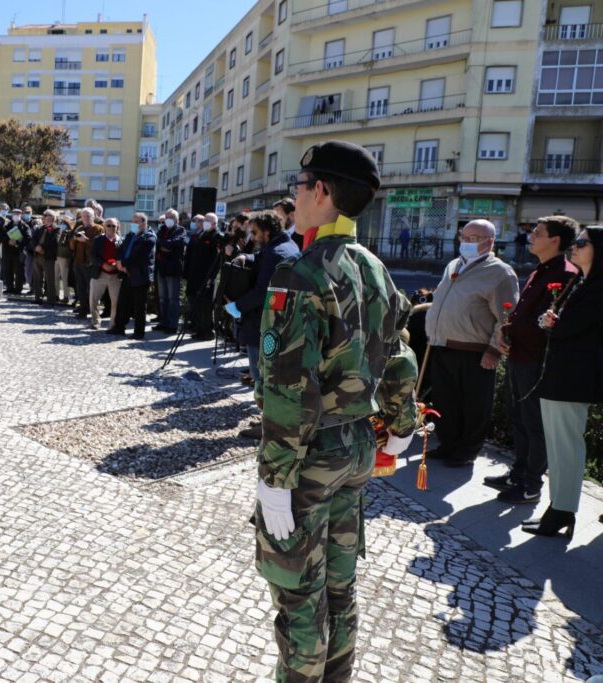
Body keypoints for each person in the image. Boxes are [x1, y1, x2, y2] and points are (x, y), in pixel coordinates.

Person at [255, 141, 418, 682]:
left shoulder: (302, 273)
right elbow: (400, 355)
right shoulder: (373, 267)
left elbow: (289, 388)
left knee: (301, 598)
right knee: (340, 589)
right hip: (357, 450)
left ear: (321, 191)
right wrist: (401, 425)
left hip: (310, 457)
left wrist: (275, 477)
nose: (295, 197)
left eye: (299, 187)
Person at [487, 215, 578, 504]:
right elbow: (523, 313)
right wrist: (505, 331)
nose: (531, 237)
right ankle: (518, 473)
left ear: (555, 240)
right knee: (517, 418)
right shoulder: (540, 270)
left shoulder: (566, 274)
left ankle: (531, 485)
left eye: (537, 233)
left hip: (537, 360)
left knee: (534, 424)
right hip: (518, 354)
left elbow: (550, 321)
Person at [522, 226, 603, 537]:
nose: (575, 247)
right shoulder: (580, 282)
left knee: (566, 447)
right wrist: (550, 322)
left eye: (583, 243)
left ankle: (562, 511)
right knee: (558, 448)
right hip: (560, 374)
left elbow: (571, 328)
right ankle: (558, 508)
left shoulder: (598, 287)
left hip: (575, 377)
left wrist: (553, 324)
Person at [424, 219, 519, 467]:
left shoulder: (500, 272)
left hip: (474, 351)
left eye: (473, 238)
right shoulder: (454, 264)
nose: (465, 242)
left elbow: (507, 317)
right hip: (443, 344)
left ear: (490, 242)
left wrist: (494, 350)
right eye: (463, 237)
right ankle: (448, 444)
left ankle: (467, 450)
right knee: (445, 402)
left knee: (474, 404)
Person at [225, 210, 299, 439]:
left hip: (263, 326)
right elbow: (261, 258)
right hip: (279, 325)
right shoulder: (286, 246)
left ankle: (269, 426)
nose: (253, 237)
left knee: (263, 377)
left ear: (267, 231)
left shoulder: (276, 253)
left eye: (256, 233)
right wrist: (246, 258)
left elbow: (261, 293)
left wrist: (235, 307)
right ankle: (272, 420)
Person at [108, 212, 156, 339]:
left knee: (139, 306)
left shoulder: (149, 237)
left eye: (136, 222)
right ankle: (119, 327)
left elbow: (138, 256)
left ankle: (139, 332)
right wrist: (119, 261)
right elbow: (120, 248)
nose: (133, 224)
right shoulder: (130, 235)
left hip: (140, 275)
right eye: (132, 221)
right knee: (123, 302)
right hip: (127, 274)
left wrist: (123, 264)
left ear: (144, 223)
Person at [183, 211, 222, 340]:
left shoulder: (216, 237)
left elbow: (217, 260)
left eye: (208, 221)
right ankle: (199, 330)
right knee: (197, 304)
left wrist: (211, 277)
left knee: (206, 306)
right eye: (204, 220)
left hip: (207, 278)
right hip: (196, 276)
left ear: (215, 223)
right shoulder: (202, 235)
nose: (205, 223)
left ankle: (208, 332)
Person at [154, 208, 188, 335]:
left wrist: (165, 246)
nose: (169, 219)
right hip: (161, 268)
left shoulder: (181, 230)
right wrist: (166, 246)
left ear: (177, 219)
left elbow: (177, 242)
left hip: (173, 269)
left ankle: (172, 325)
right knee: (162, 298)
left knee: (172, 299)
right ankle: (164, 322)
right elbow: (157, 243)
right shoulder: (161, 230)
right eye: (167, 217)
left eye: (172, 217)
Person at [89, 217, 123, 330]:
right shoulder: (98, 240)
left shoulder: (121, 241)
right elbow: (92, 256)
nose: (111, 228)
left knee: (116, 301)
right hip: (100, 273)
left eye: (114, 226)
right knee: (93, 299)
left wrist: (117, 264)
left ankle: (113, 324)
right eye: (108, 225)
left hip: (116, 275)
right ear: (104, 227)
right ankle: (95, 321)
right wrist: (102, 264)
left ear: (117, 227)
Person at [70, 208, 102, 318]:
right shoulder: (79, 228)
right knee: (80, 287)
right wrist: (75, 239)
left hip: (90, 263)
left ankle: (92, 310)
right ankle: (83, 309)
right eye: (84, 216)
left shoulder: (98, 229)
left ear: (93, 217)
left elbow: (99, 247)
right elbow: (71, 246)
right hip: (78, 262)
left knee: (91, 289)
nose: (86, 218)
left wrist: (86, 240)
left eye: (88, 216)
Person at [31, 210, 61, 304]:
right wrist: (36, 247)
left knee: (50, 279)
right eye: (44, 216)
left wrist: (42, 248)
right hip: (37, 256)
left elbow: (55, 242)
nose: (44, 217)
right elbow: (33, 239)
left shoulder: (56, 229)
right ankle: (38, 298)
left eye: (46, 215)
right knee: (37, 278)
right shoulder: (40, 228)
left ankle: (51, 300)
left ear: (52, 217)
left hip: (48, 257)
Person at [1, 206, 30, 294]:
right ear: (12, 214)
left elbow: (28, 238)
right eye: (14, 213)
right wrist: (8, 241)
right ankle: (9, 287)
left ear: (21, 215)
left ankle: (18, 289)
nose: (16, 215)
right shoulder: (7, 225)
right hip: (8, 251)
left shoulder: (25, 226)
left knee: (19, 271)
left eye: (18, 214)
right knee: (8, 270)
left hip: (18, 252)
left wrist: (17, 243)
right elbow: (2, 236)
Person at [55, 214, 75, 304]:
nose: (62, 224)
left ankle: (66, 296)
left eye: (64, 223)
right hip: (56, 256)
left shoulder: (70, 232)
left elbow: (71, 246)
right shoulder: (58, 231)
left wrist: (69, 258)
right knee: (55, 277)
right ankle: (56, 295)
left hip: (64, 257)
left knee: (64, 277)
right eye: (61, 222)